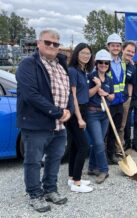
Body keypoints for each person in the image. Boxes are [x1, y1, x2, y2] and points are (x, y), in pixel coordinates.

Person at [16, 29, 73, 212]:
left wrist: (69, 111)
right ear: (38, 43)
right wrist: (57, 112)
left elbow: (67, 92)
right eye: (47, 42)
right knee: (33, 161)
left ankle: (50, 189)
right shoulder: (28, 64)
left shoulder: (61, 64)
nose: (51, 46)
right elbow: (31, 95)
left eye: (55, 44)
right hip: (36, 124)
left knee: (55, 159)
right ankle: (35, 194)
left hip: (59, 124)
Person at [66, 43, 94, 193]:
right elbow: (73, 96)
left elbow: (85, 94)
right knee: (83, 146)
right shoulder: (72, 71)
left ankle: (72, 177)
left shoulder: (83, 72)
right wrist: (79, 118)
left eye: (88, 53)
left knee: (76, 146)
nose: (86, 55)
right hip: (75, 112)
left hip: (82, 109)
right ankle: (77, 183)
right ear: (77, 54)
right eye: (83, 53)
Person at [86, 49, 115, 184]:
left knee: (97, 142)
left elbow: (112, 96)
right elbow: (87, 95)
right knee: (98, 143)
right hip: (92, 113)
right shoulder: (90, 77)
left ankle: (92, 167)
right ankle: (104, 169)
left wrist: (106, 94)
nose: (104, 65)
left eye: (106, 63)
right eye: (101, 62)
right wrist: (97, 86)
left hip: (105, 113)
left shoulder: (109, 79)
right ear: (96, 63)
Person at [105, 33, 126, 164]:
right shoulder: (103, 61)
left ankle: (111, 154)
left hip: (119, 102)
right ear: (108, 46)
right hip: (107, 102)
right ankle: (102, 156)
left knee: (115, 130)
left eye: (118, 45)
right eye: (113, 45)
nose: (116, 48)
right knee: (105, 131)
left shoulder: (122, 63)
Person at [119, 41, 136, 150]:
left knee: (122, 126)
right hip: (111, 99)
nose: (130, 53)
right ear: (122, 49)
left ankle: (118, 148)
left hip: (125, 99)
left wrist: (129, 97)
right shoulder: (114, 62)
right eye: (128, 50)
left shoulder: (132, 66)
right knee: (110, 125)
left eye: (132, 52)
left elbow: (130, 83)